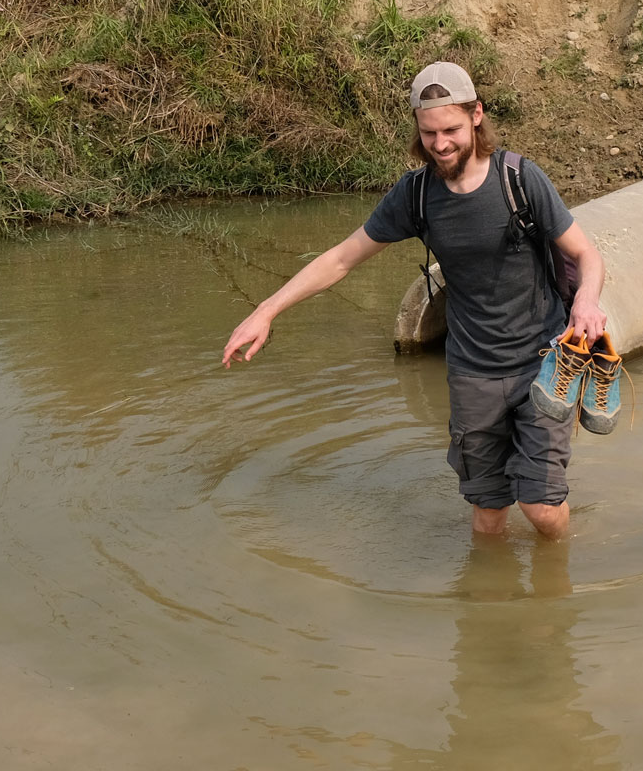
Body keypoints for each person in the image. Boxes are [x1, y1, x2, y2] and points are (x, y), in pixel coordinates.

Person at [221, 61, 607, 540]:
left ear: (477, 116)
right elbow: (341, 259)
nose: (441, 144)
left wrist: (586, 302)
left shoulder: (520, 180)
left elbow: (586, 254)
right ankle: (492, 607)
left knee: (541, 506)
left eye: (451, 130)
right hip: (472, 372)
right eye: (429, 133)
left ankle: (556, 596)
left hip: (545, 365)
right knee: (487, 516)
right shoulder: (417, 195)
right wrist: (266, 310)